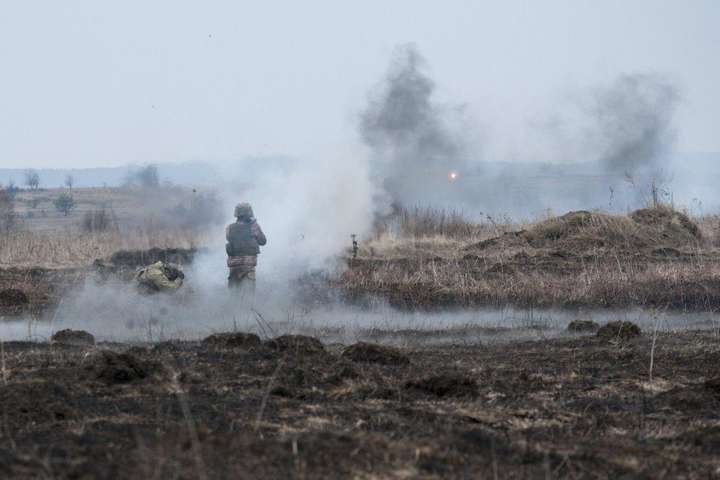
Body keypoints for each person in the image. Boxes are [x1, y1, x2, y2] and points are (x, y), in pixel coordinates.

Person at [226, 203, 267, 291]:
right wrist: (254, 223)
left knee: (233, 296)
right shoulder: (254, 227)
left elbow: (229, 239)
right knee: (248, 298)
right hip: (248, 267)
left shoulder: (229, 228)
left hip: (234, 267)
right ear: (249, 213)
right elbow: (263, 241)